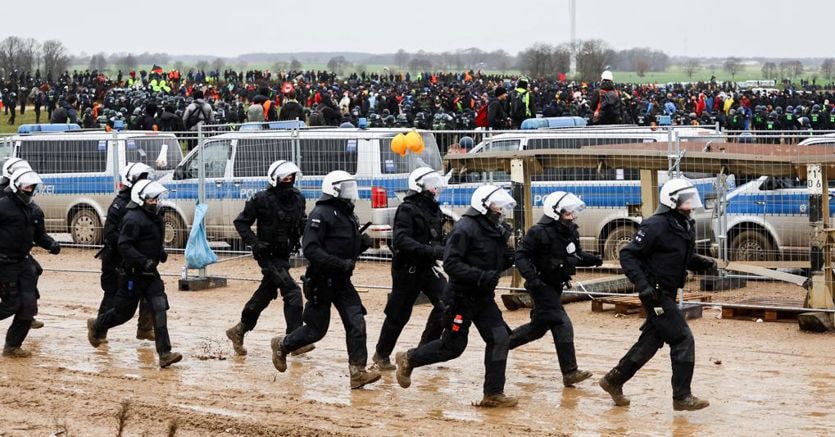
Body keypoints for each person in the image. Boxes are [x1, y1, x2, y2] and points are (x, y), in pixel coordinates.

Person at [598, 178, 716, 411]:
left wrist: (708, 263)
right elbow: (628, 255)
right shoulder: (655, 225)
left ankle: (614, 380)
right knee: (682, 338)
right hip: (656, 294)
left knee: (651, 341)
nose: (691, 202)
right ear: (672, 200)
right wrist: (643, 286)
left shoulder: (685, 224)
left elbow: (684, 257)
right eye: (686, 198)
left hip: (668, 293)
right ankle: (682, 397)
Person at [396, 185, 518, 408]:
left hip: (483, 298)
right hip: (461, 297)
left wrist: (512, 257)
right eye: (496, 206)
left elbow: (497, 260)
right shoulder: (465, 228)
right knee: (453, 348)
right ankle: (409, 358)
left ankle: (493, 394)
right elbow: (451, 264)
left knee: (500, 339)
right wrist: (481, 276)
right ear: (484, 206)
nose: (500, 211)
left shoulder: (496, 230)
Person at [269, 170, 379, 389]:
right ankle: (283, 345)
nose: (350, 192)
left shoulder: (347, 213)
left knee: (356, 322)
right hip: (322, 281)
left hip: (342, 282)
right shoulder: (321, 213)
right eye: (346, 188)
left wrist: (361, 244)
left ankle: (357, 372)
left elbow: (342, 245)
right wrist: (339, 263)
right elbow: (310, 249)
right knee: (316, 330)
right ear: (334, 189)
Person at [87, 180, 183, 368]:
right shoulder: (132, 218)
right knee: (123, 313)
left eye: (157, 199)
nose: (156, 202)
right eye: (152, 200)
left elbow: (151, 240)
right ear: (141, 200)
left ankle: (165, 353)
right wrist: (142, 261)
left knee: (159, 309)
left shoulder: (156, 217)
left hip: (151, 275)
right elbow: (124, 245)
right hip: (132, 275)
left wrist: (159, 252)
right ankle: (97, 325)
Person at [510, 191, 602, 387]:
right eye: (567, 214)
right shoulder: (538, 232)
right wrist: (532, 279)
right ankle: (570, 372)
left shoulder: (570, 231)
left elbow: (575, 254)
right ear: (555, 214)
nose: (572, 217)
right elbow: (520, 256)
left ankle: (500, 344)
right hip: (541, 286)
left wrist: (593, 259)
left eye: (572, 214)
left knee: (538, 329)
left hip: (555, 285)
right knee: (562, 322)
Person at [226, 160, 311, 357]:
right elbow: (241, 222)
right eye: (284, 178)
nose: (288, 181)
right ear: (275, 179)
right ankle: (294, 340)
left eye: (291, 178)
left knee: (265, 293)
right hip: (267, 256)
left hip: (284, 255)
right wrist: (255, 243)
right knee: (292, 292)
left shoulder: (298, 198)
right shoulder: (261, 199)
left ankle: (238, 331)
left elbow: (302, 221)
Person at [371, 167, 448, 370]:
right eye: (431, 184)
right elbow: (401, 240)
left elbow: (437, 238)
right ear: (419, 186)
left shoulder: (435, 209)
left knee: (446, 303)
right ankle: (381, 354)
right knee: (399, 314)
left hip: (428, 267)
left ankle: (423, 351)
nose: (435, 188)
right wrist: (432, 251)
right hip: (407, 268)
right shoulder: (407, 209)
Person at [0, 168, 61, 357]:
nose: (30, 190)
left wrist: (51, 244)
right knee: (11, 304)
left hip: (24, 263)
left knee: (28, 307)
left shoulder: (35, 210)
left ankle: (12, 346)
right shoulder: (2, 207)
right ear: (16, 187)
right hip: (3, 263)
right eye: (26, 187)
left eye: (32, 187)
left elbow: (40, 235)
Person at [95, 162, 156, 342]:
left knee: (150, 293)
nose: (143, 182)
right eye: (140, 178)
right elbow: (110, 233)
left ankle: (145, 329)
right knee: (112, 295)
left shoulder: (145, 204)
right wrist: (126, 246)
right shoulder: (120, 205)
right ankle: (99, 329)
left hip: (136, 260)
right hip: (115, 260)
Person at [0, 159, 45, 330]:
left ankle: (27, 312)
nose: (29, 189)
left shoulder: (29, 204)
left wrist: (47, 242)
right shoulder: (4, 198)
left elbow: (38, 230)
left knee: (34, 272)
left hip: (20, 254)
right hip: (4, 255)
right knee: (11, 301)